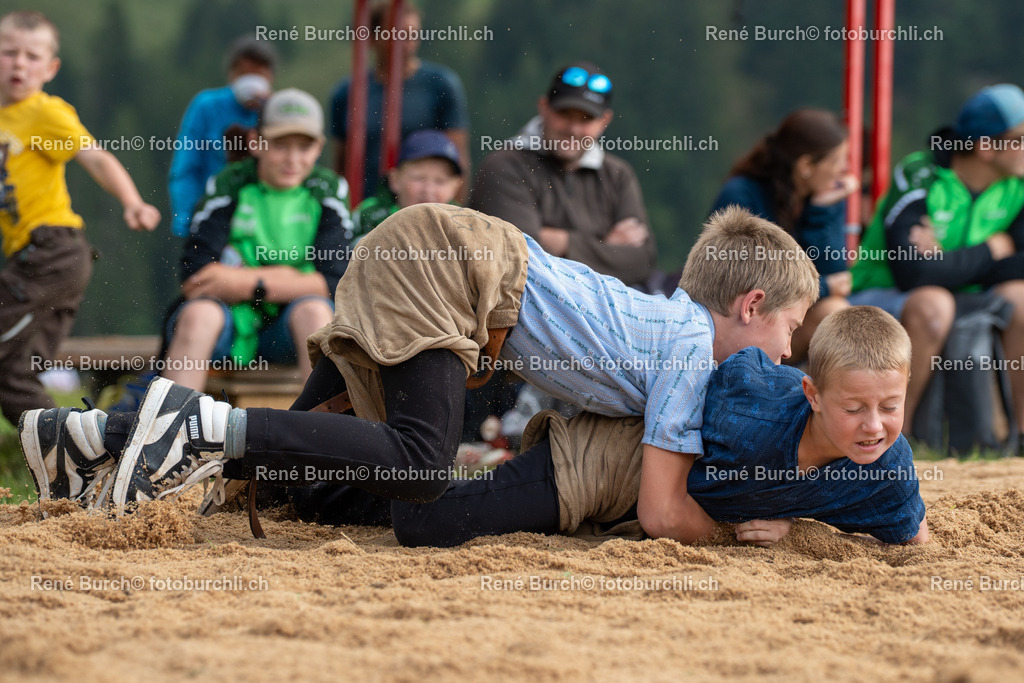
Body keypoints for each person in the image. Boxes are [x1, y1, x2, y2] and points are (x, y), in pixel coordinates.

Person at [19, 205, 817, 545]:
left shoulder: (665, 325)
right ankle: (197, 422)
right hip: (451, 264)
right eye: (789, 328)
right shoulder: (689, 350)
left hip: (435, 253)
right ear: (751, 304)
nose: (786, 354)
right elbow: (660, 507)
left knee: (306, 469)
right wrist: (740, 534)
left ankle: (90, 438)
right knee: (420, 463)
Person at [389, 306, 929, 548]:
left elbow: (912, 536)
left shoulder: (887, 470)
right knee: (426, 523)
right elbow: (732, 367)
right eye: (854, 408)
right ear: (811, 395)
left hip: (647, 514)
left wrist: (796, 530)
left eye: (890, 406)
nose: (873, 426)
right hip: (616, 462)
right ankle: (391, 442)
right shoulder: (753, 407)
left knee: (453, 506)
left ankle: (362, 482)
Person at [0, 10, 160, 426]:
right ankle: (81, 450)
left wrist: (132, 201)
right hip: (34, 259)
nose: (19, 64)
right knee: (13, 377)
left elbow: (94, 157)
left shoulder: (43, 113)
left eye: (32, 56)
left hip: (52, 252)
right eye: (9, 52)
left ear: (51, 69)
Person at [850, 83, 1024, 435]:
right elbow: (912, 273)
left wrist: (946, 262)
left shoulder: (1017, 183)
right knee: (933, 303)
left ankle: (1019, 434)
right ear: (986, 147)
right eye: (1020, 139)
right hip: (882, 293)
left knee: (1020, 297)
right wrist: (991, 250)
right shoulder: (921, 175)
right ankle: (896, 435)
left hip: (961, 291)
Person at [161, 88, 351, 392]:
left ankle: (324, 420)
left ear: (319, 148)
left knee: (316, 313)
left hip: (287, 333)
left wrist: (249, 283)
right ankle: (168, 419)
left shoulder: (327, 190)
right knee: (199, 314)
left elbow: (334, 283)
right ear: (255, 142)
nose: (292, 159)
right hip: (227, 327)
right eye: (280, 145)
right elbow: (196, 279)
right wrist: (293, 278)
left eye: (304, 147)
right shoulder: (228, 185)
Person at [471, 61, 656, 289]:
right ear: (544, 107)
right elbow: (521, 262)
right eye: (565, 114)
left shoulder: (618, 175)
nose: (574, 129)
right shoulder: (504, 166)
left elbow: (642, 262)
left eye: (586, 119)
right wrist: (605, 247)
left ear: (604, 121)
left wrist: (561, 242)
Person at [709, 108, 859, 362]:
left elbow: (836, 274)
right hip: (741, 321)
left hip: (788, 318)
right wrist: (824, 287)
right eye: (836, 160)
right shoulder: (742, 196)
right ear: (805, 166)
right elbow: (745, 283)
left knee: (838, 315)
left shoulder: (825, 198)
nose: (844, 169)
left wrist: (821, 211)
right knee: (832, 311)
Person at [329, 1, 469, 202]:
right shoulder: (347, 93)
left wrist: (456, 211)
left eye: (413, 35)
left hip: (424, 206)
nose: (407, 43)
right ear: (372, 38)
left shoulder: (440, 85)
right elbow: (341, 165)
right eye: (398, 34)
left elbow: (458, 158)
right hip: (365, 208)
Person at [167, 35, 277, 237]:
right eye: (244, 73)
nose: (251, 81)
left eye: (258, 74)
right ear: (231, 75)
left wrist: (271, 110)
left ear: (270, 77)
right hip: (212, 220)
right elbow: (186, 168)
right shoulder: (206, 106)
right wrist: (187, 221)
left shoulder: (277, 111)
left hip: (265, 228)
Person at [351, 129, 463, 240]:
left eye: (440, 181)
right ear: (395, 180)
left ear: (455, 187)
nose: (428, 190)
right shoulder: (369, 215)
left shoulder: (462, 221)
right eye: (419, 178)